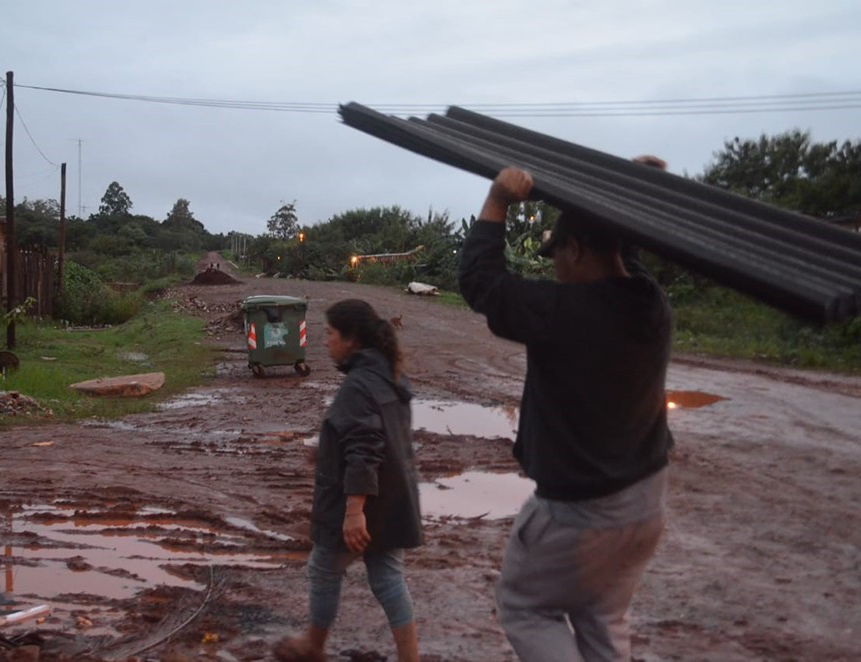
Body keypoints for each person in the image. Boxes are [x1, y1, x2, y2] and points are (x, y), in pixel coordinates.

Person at [458, 160, 674, 661]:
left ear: (575, 249)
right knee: (602, 614)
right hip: (645, 501)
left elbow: (479, 282)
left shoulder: (561, 312)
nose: (554, 266)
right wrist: (624, 189)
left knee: (525, 607)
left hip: (583, 511)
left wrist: (497, 201)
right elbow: (625, 255)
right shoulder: (649, 303)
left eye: (557, 253)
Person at [274, 299, 423, 662]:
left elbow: (365, 446)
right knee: (388, 576)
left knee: (323, 569)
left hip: (358, 500)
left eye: (330, 334)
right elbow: (379, 438)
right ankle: (410, 657)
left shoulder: (358, 384)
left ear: (351, 339)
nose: (325, 341)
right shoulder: (391, 374)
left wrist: (354, 511)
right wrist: (326, 453)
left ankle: (313, 646)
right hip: (392, 497)